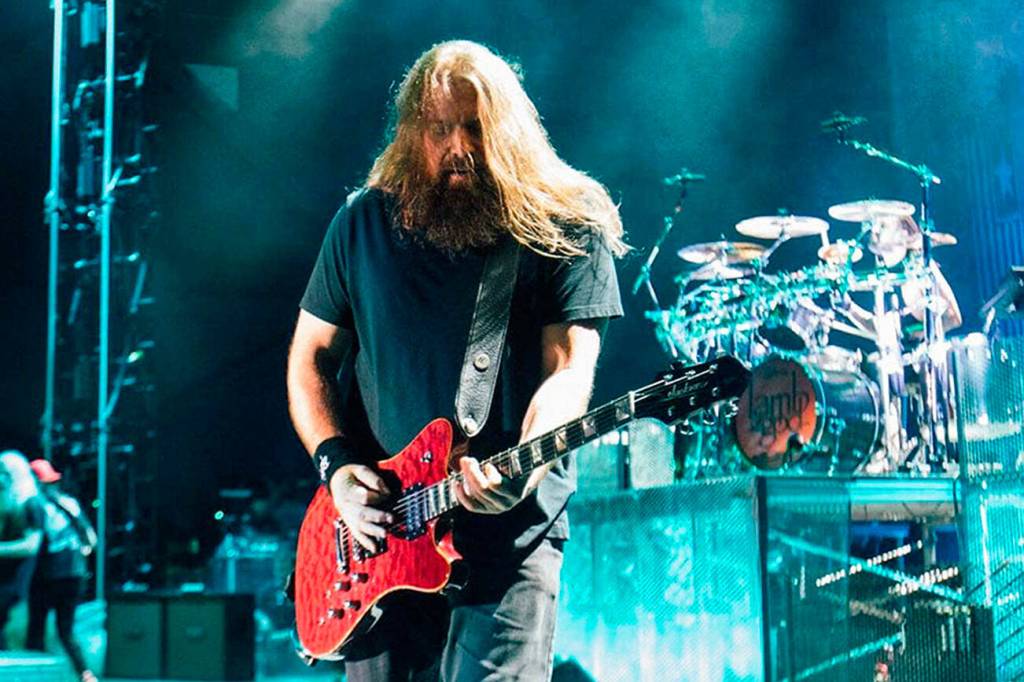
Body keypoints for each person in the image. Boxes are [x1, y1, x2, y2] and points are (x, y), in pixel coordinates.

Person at [287, 40, 626, 681]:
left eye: (475, 127)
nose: (459, 147)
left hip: (509, 538)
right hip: (381, 540)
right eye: (439, 129)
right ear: (412, 133)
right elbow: (310, 357)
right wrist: (337, 469)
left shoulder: (564, 224)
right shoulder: (362, 224)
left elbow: (568, 370)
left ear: (511, 129)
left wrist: (527, 468)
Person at [26, 458, 97, 682]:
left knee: (36, 626)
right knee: (65, 629)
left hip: (49, 574)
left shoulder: (34, 504)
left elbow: (33, 543)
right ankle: (85, 674)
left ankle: (32, 676)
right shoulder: (69, 503)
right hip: (75, 573)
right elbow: (91, 539)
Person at [0, 451, 43, 649]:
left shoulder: (31, 503)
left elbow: (31, 545)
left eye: (5, 472)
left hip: (17, 577)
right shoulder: (10, 502)